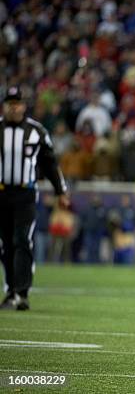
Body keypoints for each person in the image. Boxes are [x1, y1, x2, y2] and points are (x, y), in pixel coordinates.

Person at [0, 86, 69, 310]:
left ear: (23, 105)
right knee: (5, 244)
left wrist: (61, 191)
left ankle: (22, 292)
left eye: (17, 103)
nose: (13, 107)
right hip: (1, 193)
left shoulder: (36, 132)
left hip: (25, 192)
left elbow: (50, 164)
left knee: (22, 239)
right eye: (10, 103)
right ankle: (11, 289)